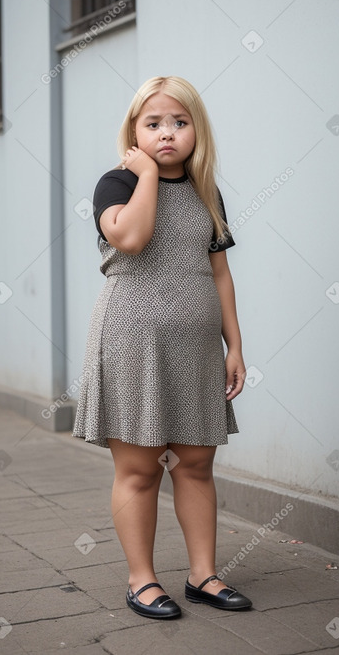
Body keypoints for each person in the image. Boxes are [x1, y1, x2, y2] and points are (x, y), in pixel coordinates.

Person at [73, 75, 252, 619]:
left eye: (179, 121)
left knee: (196, 464)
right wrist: (146, 173)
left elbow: (219, 272)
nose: (168, 133)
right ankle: (141, 580)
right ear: (134, 132)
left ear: (197, 129)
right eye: (153, 124)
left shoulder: (206, 191)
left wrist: (235, 346)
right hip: (133, 342)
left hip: (196, 345)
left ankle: (203, 575)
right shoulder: (115, 184)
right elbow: (130, 238)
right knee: (141, 468)